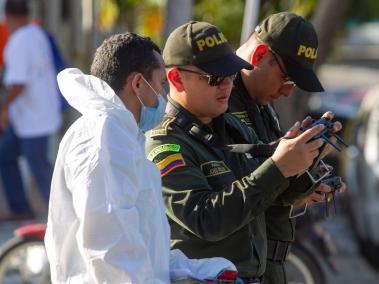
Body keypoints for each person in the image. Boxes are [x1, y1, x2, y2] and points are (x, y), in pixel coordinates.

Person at [45, 32, 237, 284]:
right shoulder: (103, 137)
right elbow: (110, 251)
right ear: (137, 84)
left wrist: (204, 270)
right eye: (160, 84)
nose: (164, 96)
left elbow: (146, 245)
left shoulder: (123, 136)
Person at [145, 20, 327, 283]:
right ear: (176, 79)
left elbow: (272, 193)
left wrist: (306, 159)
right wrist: (278, 167)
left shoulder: (229, 126)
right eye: (215, 78)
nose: (227, 85)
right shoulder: (165, 143)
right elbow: (206, 219)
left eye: (231, 74)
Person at [229, 12, 344, 284]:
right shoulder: (216, 103)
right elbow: (230, 195)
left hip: (267, 266)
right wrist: (284, 164)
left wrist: (309, 172)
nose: (287, 92)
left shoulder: (259, 105)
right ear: (258, 56)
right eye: (286, 78)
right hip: (237, 269)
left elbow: (271, 191)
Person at [0, 0, 62, 220]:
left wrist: (4, 107)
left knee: (40, 169)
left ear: (7, 16)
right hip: (35, 114)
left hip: (32, 118)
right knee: (5, 155)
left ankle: (61, 214)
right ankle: (21, 209)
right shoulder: (37, 33)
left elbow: (18, 82)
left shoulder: (19, 40)